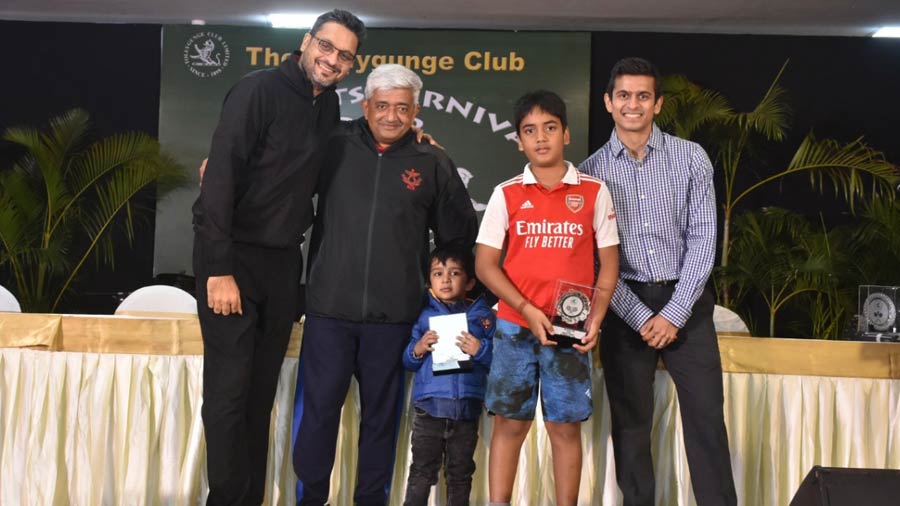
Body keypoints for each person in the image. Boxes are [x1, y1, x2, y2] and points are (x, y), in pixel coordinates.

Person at [191, 9, 365, 505]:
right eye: (326, 47)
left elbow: (340, 148)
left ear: (351, 65)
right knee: (227, 394)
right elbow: (220, 177)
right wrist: (219, 268)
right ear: (307, 42)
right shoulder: (257, 90)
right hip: (232, 260)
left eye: (344, 56)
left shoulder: (327, 107)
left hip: (283, 262)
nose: (332, 60)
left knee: (260, 392)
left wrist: (414, 135)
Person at [292, 64, 478, 506]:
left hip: (395, 317)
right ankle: (309, 499)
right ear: (365, 105)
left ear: (415, 111)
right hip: (328, 312)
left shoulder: (431, 159)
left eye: (401, 108)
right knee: (317, 419)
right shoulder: (333, 143)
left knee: (381, 422)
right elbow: (282, 176)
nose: (391, 116)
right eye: (382, 106)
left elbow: (458, 236)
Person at [578, 57, 737, 506]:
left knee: (706, 421)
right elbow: (593, 258)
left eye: (643, 96)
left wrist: (674, 311)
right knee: (630, 427)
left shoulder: (691, 158)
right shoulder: (589, 174)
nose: (633, 105)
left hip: (686, 304)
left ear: (658, 104)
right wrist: (639, 314)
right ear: (609, 103)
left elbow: (704, 237)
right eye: (624, 96)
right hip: (624, 305)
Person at [474, 90, 619, 506]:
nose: (541, 138)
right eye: (530, 131)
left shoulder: (594, 191)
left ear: (566, 134)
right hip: (514, 328)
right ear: (519, 141)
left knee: (564, 427)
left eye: (550, 128)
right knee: (509, 424)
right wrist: (525, 309)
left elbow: (608, 264)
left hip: (569, 332)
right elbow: (485, 265)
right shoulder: (507, 194)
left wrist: (597, 317)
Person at [401, 247, 494, 506]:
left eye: (454, 273)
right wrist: (418, 348)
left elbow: (496, 360)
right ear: (429, 280)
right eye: (438, 273)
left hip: (466, 410)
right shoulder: (423, 316)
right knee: (421, 472)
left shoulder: (482, 317)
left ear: (471, 281)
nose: (445, 280)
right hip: (429, 409)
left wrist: (480, 349)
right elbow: (407, 360)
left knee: (461, 475)